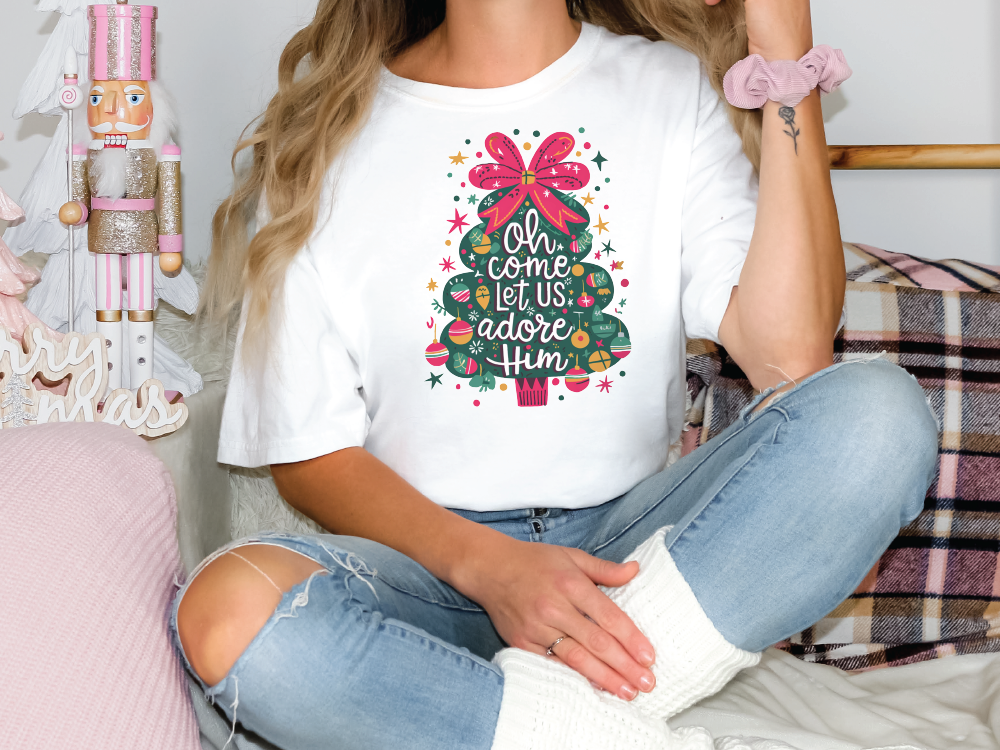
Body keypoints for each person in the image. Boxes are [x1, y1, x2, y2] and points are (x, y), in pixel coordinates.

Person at [172, 1, 939, 748]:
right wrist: (492, 568)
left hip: (632, 563)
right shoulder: (326, 135)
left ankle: (520, 721)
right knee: (228, 611)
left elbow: (791, 355)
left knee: (877, 417)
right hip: (432, 575)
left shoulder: (671, 90)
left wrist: (783, 45)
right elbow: (310, 456)